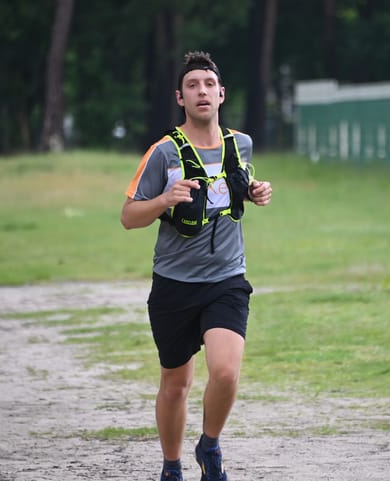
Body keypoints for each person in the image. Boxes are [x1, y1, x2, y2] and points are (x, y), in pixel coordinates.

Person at [120, 51, 272, 481]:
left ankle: (209, 445)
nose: (202, 91)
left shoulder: (239, 144)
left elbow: (232, 190)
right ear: (180, 97)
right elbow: (129, 217)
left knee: (225, 372)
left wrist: (255, 192)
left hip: (226, 279)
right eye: (193, 85)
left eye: (209, 84)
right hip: (174, 285)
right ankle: (171, 467)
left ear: (221, 94)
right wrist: (164, 200)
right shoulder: (163, 153)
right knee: (176, 384)